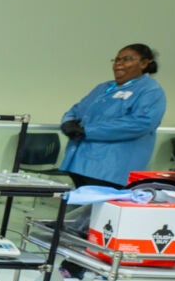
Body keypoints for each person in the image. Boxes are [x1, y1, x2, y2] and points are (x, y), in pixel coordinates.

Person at [59, 44, 166, 188]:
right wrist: (67, 123)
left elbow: (140, 123)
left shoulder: (150, 90)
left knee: (101, 209)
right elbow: (77, 109)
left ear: (144, 63)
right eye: (116, 60)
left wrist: (86, 131)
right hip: (79, 164)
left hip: (110, 169)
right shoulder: (103, 87)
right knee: (82, 208)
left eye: (126, 59)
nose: (119, 64)